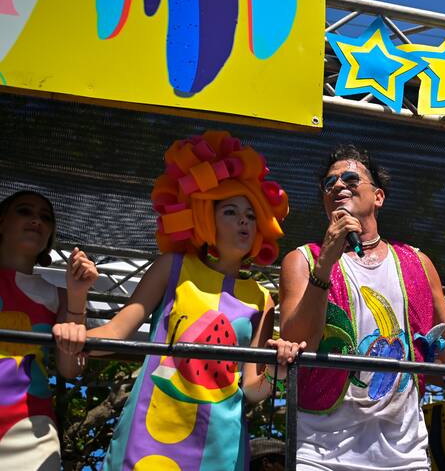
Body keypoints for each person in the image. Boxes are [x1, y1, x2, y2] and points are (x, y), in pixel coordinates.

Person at [59, 131, 303, 470]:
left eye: (251, 214)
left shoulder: (262, 298)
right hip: (151, 427)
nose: (244, 220)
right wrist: (77, 314)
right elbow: (115, 334)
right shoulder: (172, 267)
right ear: (205, 217)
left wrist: (275, 374)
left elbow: (251, 389)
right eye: (230, 211)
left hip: (221, 443)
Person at [279, 145, 445, 470]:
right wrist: (325, 264)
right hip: (321, 454)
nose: (337, 185)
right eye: (329, 183)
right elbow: (296, 340)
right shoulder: (303, 260)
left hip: (403, 455)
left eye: (350, 178)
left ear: (378, 197)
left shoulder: (417, 263)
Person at [0, 190, 98, 469]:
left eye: (45, 217)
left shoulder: (60, 296)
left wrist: (78, 295)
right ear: (1, 222)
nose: (36, 220)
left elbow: (71, 369)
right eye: (24, 211)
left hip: (30, 429)